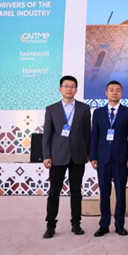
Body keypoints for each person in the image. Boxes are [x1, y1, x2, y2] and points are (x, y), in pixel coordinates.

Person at [42, 75, 91, 238]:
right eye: (66, 86)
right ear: (60, 89)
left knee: (76, 192)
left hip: (78, 155)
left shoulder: (84, 108)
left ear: (76, 90)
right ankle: (50, 226)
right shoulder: (51, 109)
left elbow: (87, 133)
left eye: (72, 86)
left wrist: (88, 153)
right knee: (54, 192)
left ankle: (76, 224)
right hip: (57, 156)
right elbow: (47, 134)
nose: (69, 89)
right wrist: (46, 155)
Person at [90, 80, 128, 237]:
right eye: (112, 90)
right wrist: (93, 156)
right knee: (104, 192)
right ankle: (104, 225)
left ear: (122, 93)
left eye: (118, 90)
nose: (115, 93)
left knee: (121, 192)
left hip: (121, 158)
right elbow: (94, 135)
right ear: (106, 93)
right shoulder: (98, 112)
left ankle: (120, 225)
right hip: (103, 158)